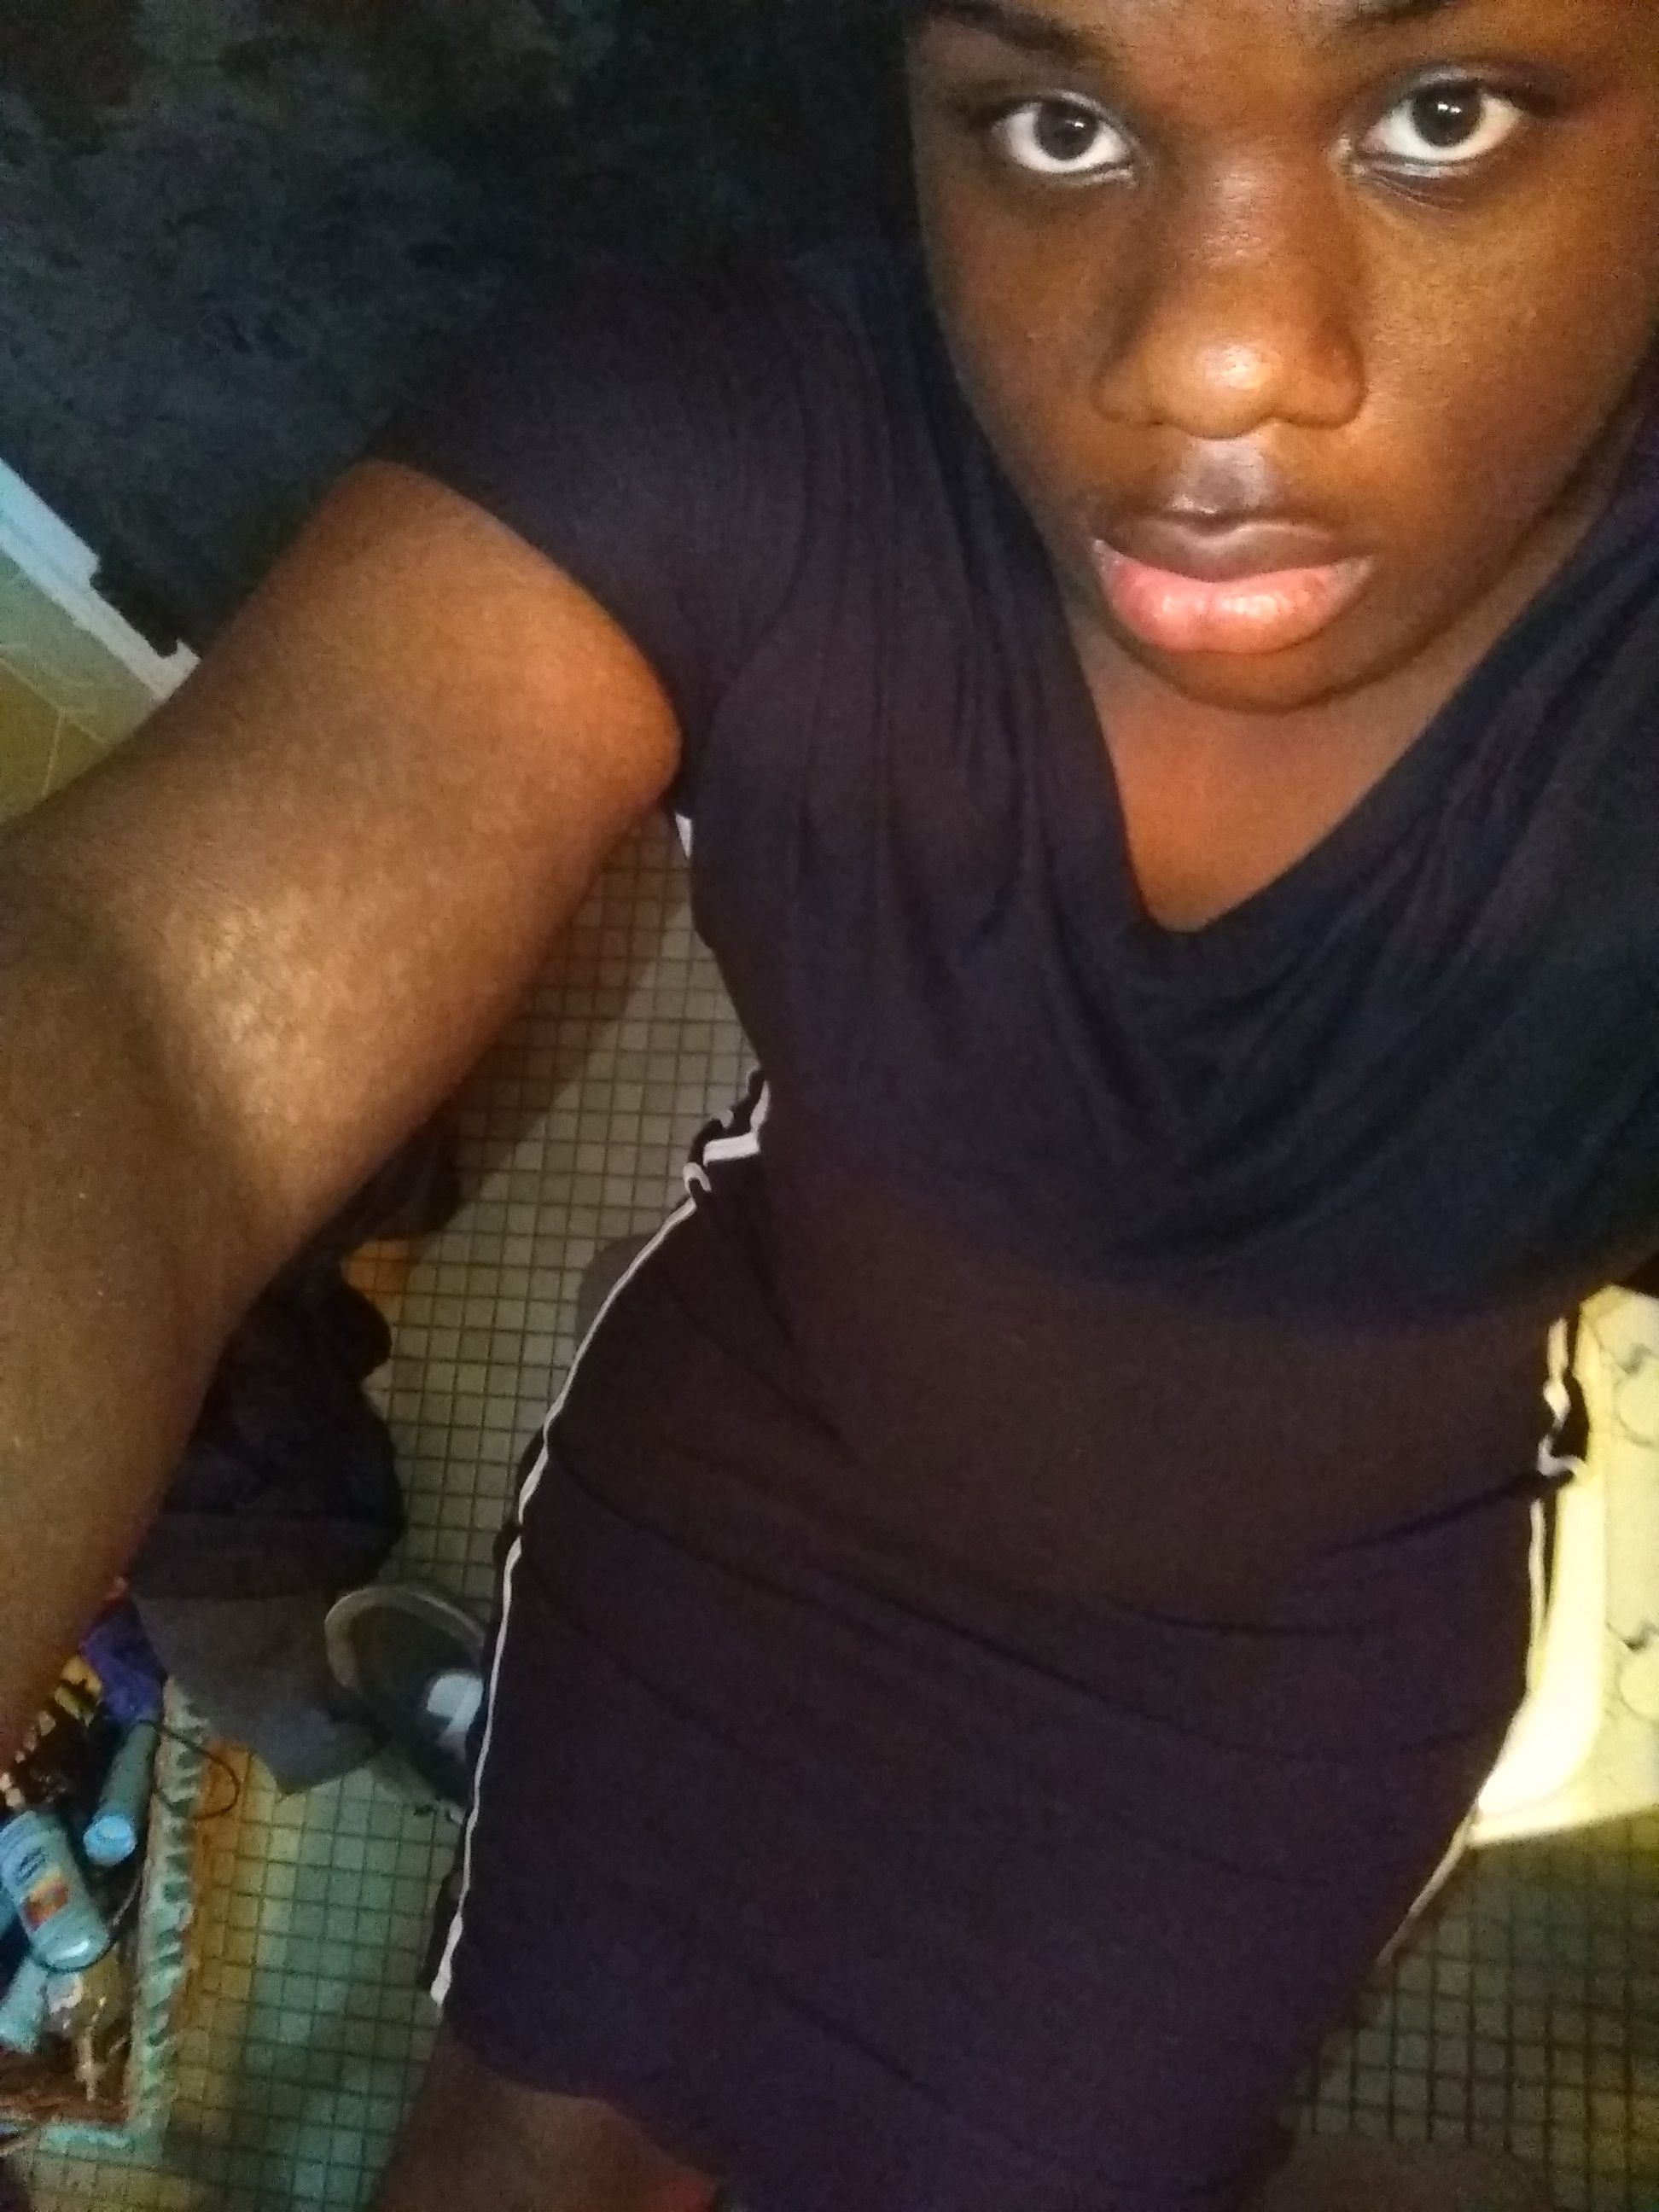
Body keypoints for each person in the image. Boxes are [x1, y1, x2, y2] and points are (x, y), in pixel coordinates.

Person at [3, 0, 1656, 2202]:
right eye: (1054, 121)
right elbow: (150, 1019)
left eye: (1441, 114)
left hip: (1277, 1678)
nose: (1210, 361)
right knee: (504, 2155)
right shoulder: (736, 436)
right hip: (747, 1506)